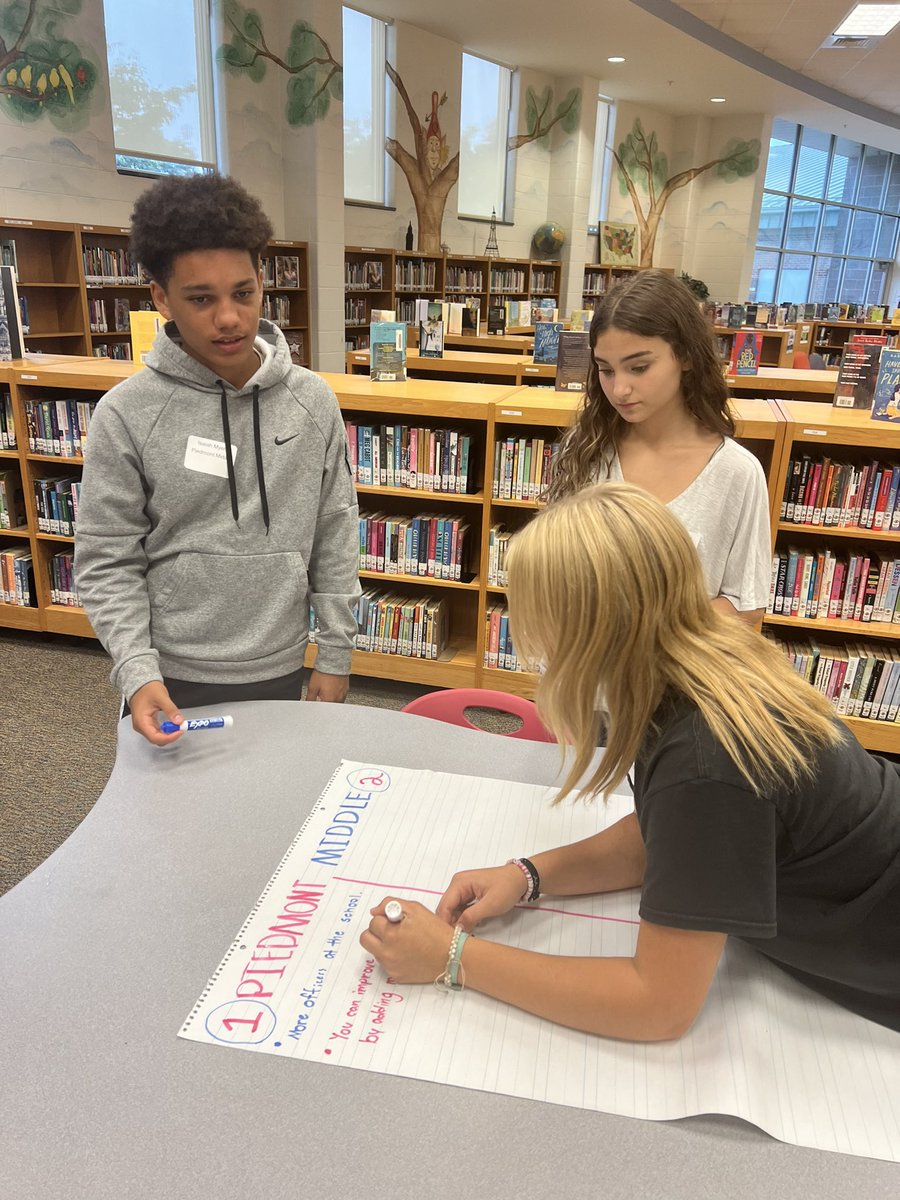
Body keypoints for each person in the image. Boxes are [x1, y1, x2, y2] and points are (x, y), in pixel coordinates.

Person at [361, 483, 900, 1038]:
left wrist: (453, 957)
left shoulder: (707, 758)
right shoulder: (708, 662)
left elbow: (659, 1005)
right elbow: (675, 837)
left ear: (588, 636)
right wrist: (529, 875)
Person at [75, 174, 360, 747]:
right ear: (161, 297)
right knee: (173, 828)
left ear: (262, 282)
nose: (228, 317)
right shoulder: (126, 414)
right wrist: (136, 671)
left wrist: (335, 652)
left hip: (282, 662)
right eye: (201, 299)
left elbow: (334, 530)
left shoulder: (313, 400)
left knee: (273, 816)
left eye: (243, 292)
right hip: (171, 673)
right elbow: (106, 559)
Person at [545, 269, 771, 625]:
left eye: (639, 367)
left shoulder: (736, 472)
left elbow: (747, 607)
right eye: (606, 370)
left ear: (686, 356)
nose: (620, 389)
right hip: (581, 673)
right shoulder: (585, 448)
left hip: (677, 676)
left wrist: (644, 633)